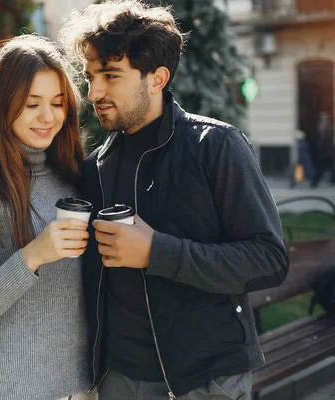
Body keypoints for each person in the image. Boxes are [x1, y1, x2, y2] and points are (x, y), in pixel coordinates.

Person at [58, 1, 289, 399]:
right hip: (118, 381)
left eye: (111, 75)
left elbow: (268, 260)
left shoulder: (215, 146)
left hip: (204, 381)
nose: (94, 91)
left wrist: (156, 252)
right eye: (91, 76)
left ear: (157, 78)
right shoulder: (95, 167)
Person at [0, 35, 94, 400]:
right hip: (11, 388)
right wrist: (33, 255)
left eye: (58, 103)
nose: (48, 117)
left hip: (82, 386)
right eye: (32, 104)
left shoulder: (75, 179)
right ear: (2, 105)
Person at [311, 112, 334, 188]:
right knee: (321, 170)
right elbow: (322, 144)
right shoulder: (325, 132)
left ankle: (314, 182)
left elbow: (325, 144)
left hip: (326, 155)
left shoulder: (326, 132)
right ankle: (314, 182)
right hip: (325, 155)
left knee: (328, 169)